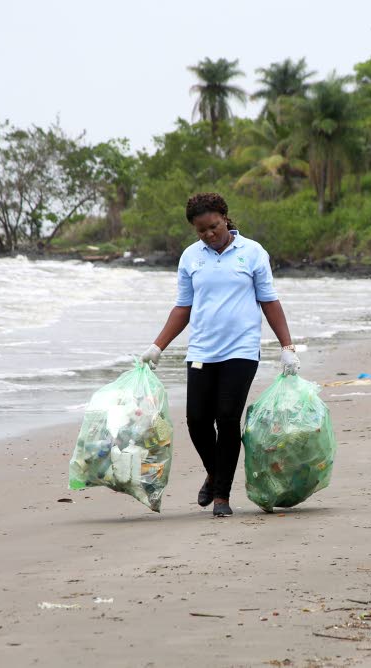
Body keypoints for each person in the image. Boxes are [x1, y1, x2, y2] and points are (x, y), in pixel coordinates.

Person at [140, 193, 299, 517]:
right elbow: (183, 307)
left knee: (227, 418)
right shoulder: (190, 258)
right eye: (201, 231)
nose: (209, 235)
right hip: (201, 350)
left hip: (240, 350)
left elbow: (269, 302)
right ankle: (214, 473)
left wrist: (287, 348)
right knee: (197, 420)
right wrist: (158, 346)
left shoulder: (252, 253)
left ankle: (222, 497)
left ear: (225, 217)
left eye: (213, 226)